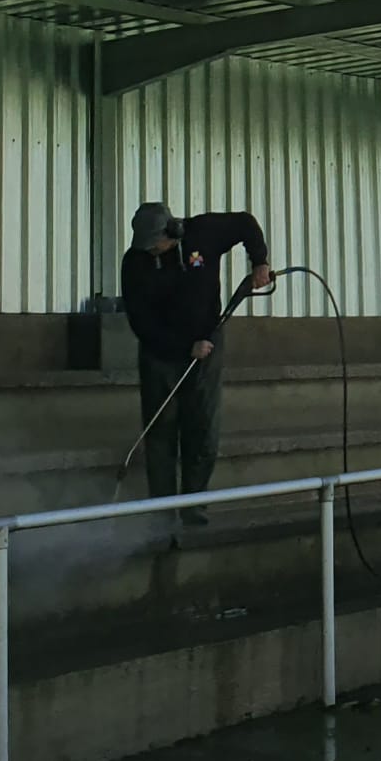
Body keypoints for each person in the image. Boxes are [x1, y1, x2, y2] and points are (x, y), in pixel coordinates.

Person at [121, 202, 271, 526]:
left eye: (156, 246)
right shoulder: (135, 262)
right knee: (161, 431)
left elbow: (246, 223)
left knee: (202, 426)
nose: (152, 253)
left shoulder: (203, 233)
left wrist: (260, 261)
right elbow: (141, 322)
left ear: (171, 232)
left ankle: (195, 502)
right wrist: (183, 347)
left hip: (207, 346)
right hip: (159, 354)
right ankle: (161, 510)